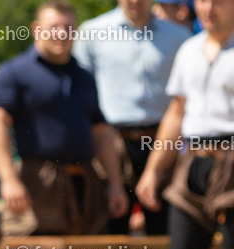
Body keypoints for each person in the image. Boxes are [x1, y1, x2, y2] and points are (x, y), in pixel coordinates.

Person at [136, 0, 234, 249]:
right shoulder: (189, 50)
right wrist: (153, 170)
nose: (208, 8)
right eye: (202, 1)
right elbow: (177, 112)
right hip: (192, 163)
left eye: (218, 1)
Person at [0, 1, 129, 235]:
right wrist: (9, 179)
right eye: (54, 27)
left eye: (68, 27)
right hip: (36, 184)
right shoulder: (15, 72)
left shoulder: (84, 76)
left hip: (85, 184)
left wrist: (115, 184)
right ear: (36, 29)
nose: (62, 34)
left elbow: (100, 132)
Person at [74, 0, 191, 235]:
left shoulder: (179, 37)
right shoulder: (92, 33)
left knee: (167, 230)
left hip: (164, 142)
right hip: (111, 143)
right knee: (109, 230)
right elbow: (79, 91)